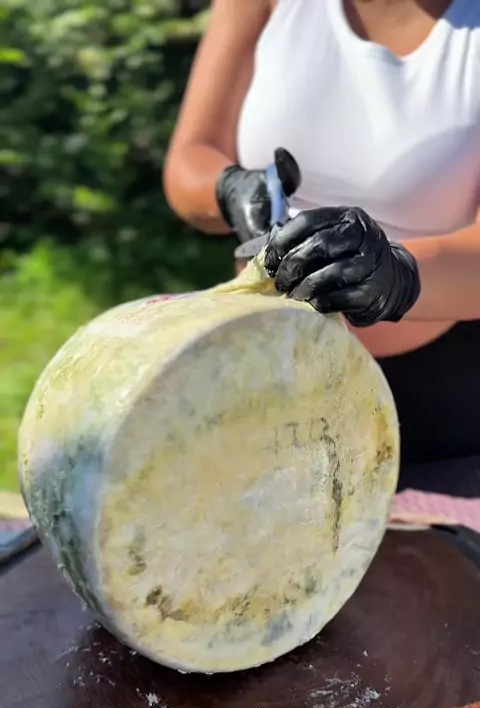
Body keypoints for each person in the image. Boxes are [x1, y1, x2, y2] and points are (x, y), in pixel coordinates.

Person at [164, 0, 480, 481]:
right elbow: (192, 154)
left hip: (438, 410)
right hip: (255, 381)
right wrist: (229, 188)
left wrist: (396, 273)